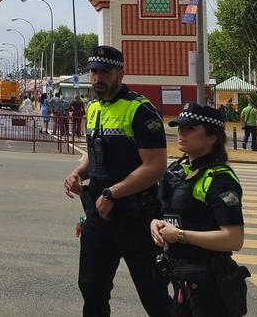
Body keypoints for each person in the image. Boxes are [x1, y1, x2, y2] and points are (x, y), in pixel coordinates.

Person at [64, 45, 170, 317]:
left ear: (120, 73)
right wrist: (77, 173)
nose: (97, 78)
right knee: (91, 290)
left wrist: (114, 193)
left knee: (154, 295)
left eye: (104, 72)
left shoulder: (141, 110)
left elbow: (155, 166)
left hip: (137, 217)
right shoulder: (94, 107)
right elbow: (95, 156)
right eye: (93, 72)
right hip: (99, 215)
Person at [152, 103, 249, 316]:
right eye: (180, 128)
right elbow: (163, 211)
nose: (182, 133)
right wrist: (154, 224)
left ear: (212, 137)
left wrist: (181, 235)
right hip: (181, 278)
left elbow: (233, 239)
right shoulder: (177, 170)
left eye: (190, 129)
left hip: (210, 288)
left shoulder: (220, 179)